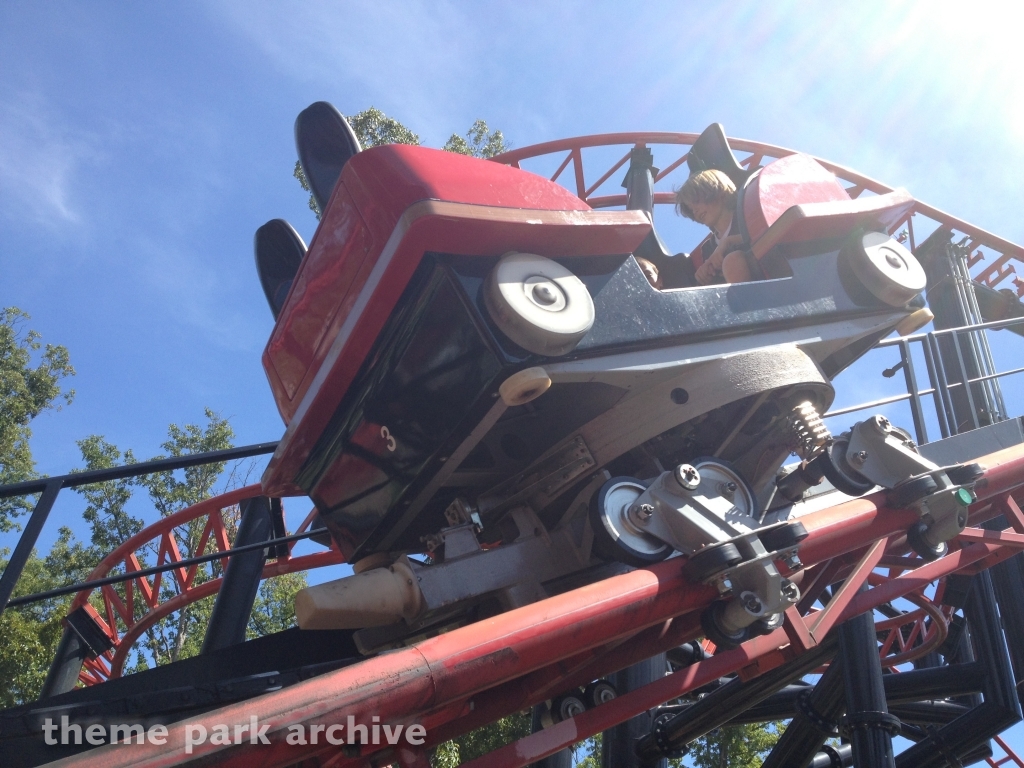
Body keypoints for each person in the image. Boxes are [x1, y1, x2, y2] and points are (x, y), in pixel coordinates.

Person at [675, 169, 754, 285]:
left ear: (720, 191)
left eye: (697, 201)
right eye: (691, 209)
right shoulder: (708, 247)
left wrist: (728, 242)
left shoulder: (745, 213)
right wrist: (704, 274)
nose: (695, 211)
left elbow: (763, 233)